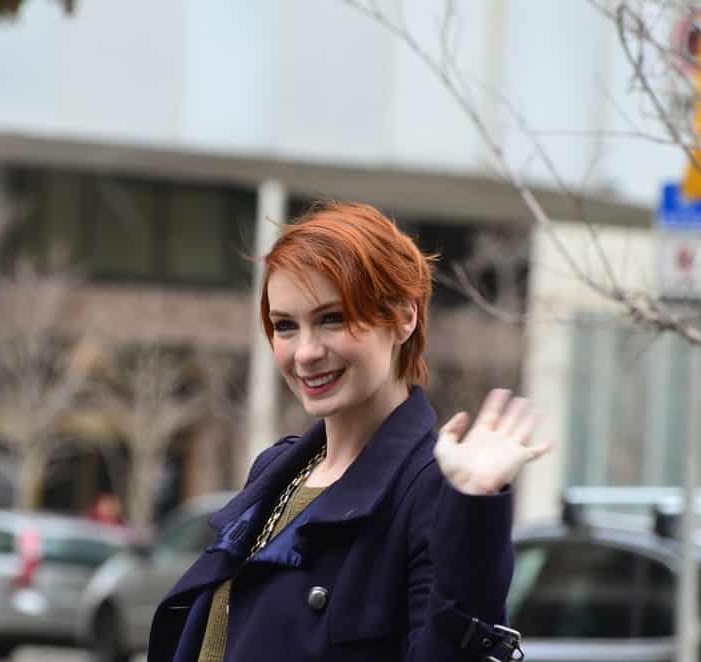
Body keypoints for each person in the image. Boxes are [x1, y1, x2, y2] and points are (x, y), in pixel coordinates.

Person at [147, 202, 552, 662]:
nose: (305, 352)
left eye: (332, 319)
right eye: (285, 326)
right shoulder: (278, 470)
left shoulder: (432, 489)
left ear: (402, 318)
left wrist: (475, 506)